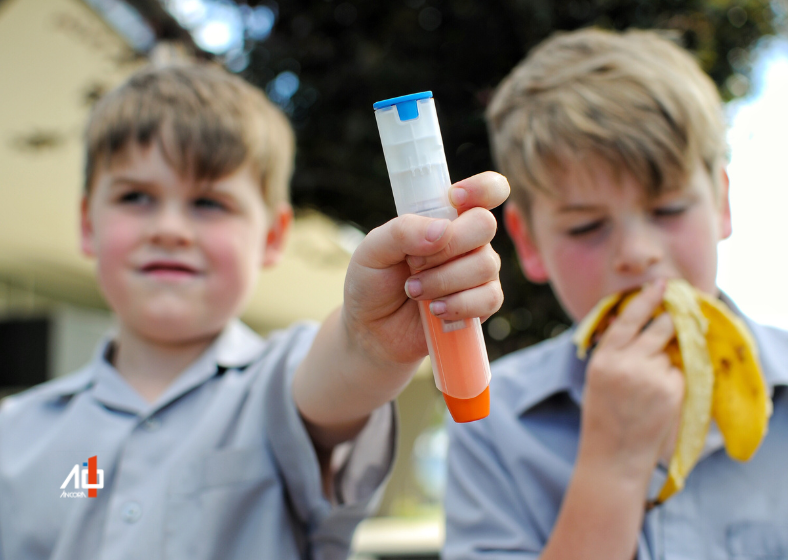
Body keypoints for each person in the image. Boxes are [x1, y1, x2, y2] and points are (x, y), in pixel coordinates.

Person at [0, 62, 508, 560]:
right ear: (88, 224)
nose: (169, 230)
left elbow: (343, 371)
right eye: (136, 196)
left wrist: (369, 342)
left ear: (272, 235)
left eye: (209, 203)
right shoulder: (13, 435)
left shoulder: (285, 381)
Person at [443, 27, 788, 559]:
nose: (638, 253)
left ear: (721, 203)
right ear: (529, 244)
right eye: (586, 227)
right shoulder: (494, 425)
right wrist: (613, 470)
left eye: (669, 210)